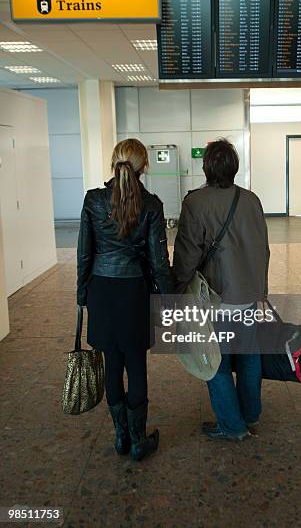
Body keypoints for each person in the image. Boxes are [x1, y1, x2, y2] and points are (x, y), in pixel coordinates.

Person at [77, 138, 172, 461]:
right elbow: (159, 262)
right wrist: (168, 299)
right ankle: (138, 439)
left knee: (112, 364)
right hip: (134, 292)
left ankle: (120, 437)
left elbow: (84, 254)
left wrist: (81, 295)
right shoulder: (152, 205)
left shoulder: (93, 200)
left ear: (113, 163)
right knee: (137, 365)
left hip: (101, 291)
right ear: (144, 166)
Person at [172, 139, 270, 441]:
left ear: (206, 167)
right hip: (249, 296)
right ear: (234, 167)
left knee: (216, 361)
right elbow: (263, 249)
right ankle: (251, 414)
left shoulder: (196, 203)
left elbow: (187, 254)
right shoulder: (251, 200)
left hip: (217, 298)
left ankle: (232, 425)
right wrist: (261, 290)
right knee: (250, 357)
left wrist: (176, 288)